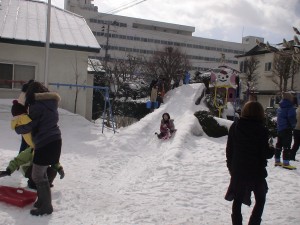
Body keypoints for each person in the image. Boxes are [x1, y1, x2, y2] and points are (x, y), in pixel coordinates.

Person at [14, 81, 62, 216]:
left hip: (46, 143)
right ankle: (43, 202)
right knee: (40, 174)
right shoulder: (50, 103)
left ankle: (46, 206)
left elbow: (31, 124)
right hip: (54, 141)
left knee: (37, 175)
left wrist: (18, 129)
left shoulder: (37, 105)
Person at [225, 101, 274, 225]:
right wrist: (272, 149)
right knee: (260, 199)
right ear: (260, 113)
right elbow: (266, 153)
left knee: (237, 200)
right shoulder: (262, 130)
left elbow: (229, 150)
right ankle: (254, 222)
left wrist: (231, 168)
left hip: (239, 170)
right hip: (256, 172)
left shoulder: (235, 126)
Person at [9, 99, 65, 189]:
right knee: (42, 166)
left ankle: (39, 182)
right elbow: (52, 158)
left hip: (38, 149)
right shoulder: (29, 120)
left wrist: (8, 170)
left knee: (40, 165)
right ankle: (36, 183)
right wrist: (58, 168)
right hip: (38, 151)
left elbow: (18, 159)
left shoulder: (23, 123)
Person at [0, 146, 64, 189]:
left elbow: (54, 162)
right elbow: (17, 161)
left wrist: (59, 169)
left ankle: (47, 183)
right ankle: (32, 183)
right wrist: (8, 170)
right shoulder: (30, 151)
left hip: (43, 168)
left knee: (52, 171)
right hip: (28, 169)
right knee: (35, 169)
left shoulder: (49, 151)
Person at [275, 92, 296, 169]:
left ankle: (277, 161)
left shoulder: (280, 107)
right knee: (287, 146)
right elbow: (292, 118)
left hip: (280, 128)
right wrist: (293, 126)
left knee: (279, 144)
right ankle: (286, 163)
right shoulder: (290, 107)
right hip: (287, 129)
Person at [17, 79, 34, 153]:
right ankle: (21, 158)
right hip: (25, 120)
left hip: (21, 120)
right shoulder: (27, 95)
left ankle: (21, 157)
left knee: (25, 141)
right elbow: (27, 108)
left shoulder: (23, 93)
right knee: (27, 142)